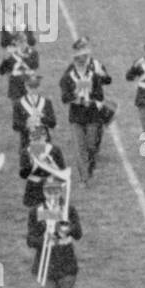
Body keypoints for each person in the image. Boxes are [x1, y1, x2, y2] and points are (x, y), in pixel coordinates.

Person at [28, 178, 82, 288]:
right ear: (44, 192)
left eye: (56, 191)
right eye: (49, 191)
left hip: (66, 265)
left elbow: (79, 233)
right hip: (46, 266)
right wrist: (45, 240)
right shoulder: (36, 211)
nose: (53, 195)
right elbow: (30, 239)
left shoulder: (69, 209)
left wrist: (69, 228)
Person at [60, 38, 113, 184]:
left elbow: (100, 94)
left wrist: (91, 99)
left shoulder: (94, 74)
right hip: (76, 116)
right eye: (78, 59)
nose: (81, 61)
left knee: (91, 145)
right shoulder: (68, 76)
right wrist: (76, 98)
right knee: (80, 148)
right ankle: (84, 177)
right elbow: (65, 97)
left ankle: (90, 165)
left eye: (83, 58)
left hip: (92, 115)